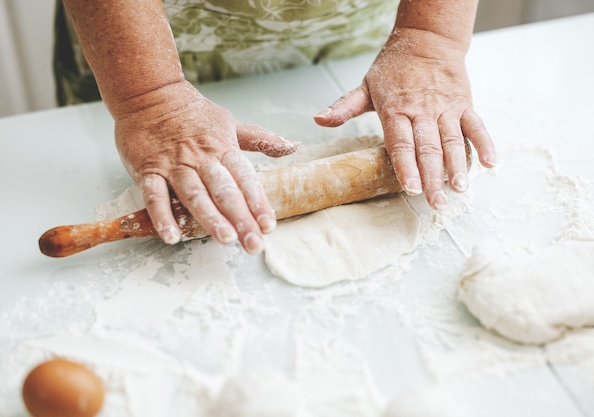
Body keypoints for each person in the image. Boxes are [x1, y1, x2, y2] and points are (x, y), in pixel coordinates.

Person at [56, 0, 496, 255]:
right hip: (133, 50)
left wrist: (428, 39)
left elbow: (428, 36)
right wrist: (149, 100)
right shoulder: (142, 87)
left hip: (346, 34)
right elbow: (146, 98)